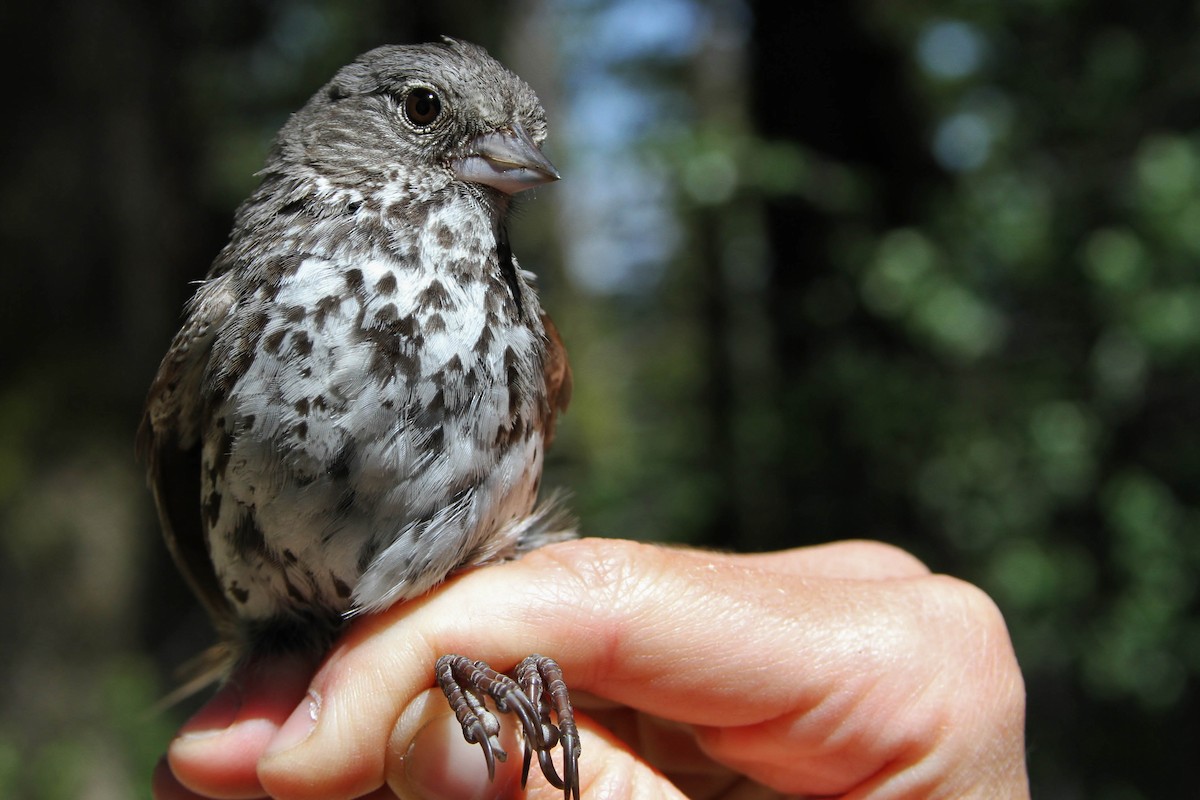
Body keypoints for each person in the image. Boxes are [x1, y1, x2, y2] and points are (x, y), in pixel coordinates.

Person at [151, 538, 1030, 799]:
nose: (516, 161)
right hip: (289, 635)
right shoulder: (226, 314)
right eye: (427, 113)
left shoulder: (518, 315)